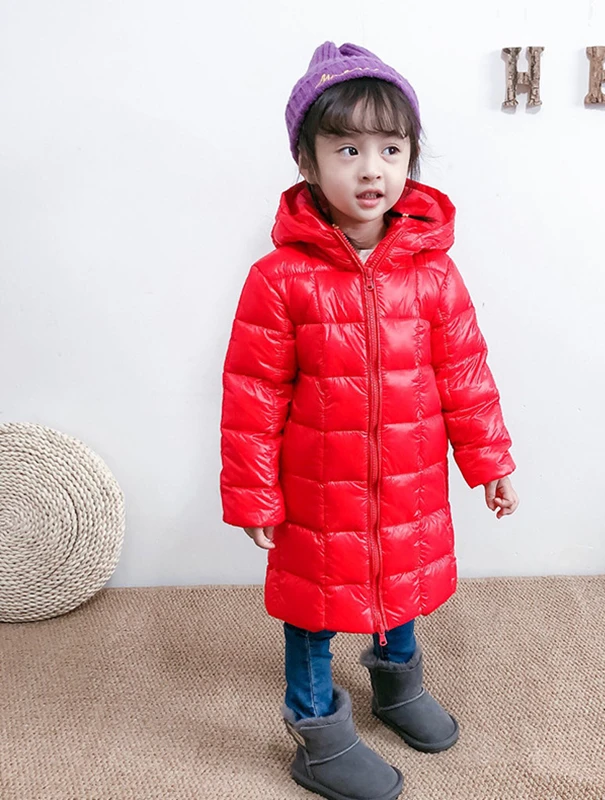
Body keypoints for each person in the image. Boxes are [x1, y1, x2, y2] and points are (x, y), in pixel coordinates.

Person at [220, 41, 520, 800]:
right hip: (317, 492)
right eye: (347, 149)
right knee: (312, 608)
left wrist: (490, 461)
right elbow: (253, 394)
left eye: (390, 148)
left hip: (408, 482)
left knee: (403, 581)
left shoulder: (433, 273)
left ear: (411, 157)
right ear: (307, 161)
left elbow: (465, 373)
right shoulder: (279, 279)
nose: (371, 169)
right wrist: (254, 496)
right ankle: (317, 733)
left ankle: (396, 684)